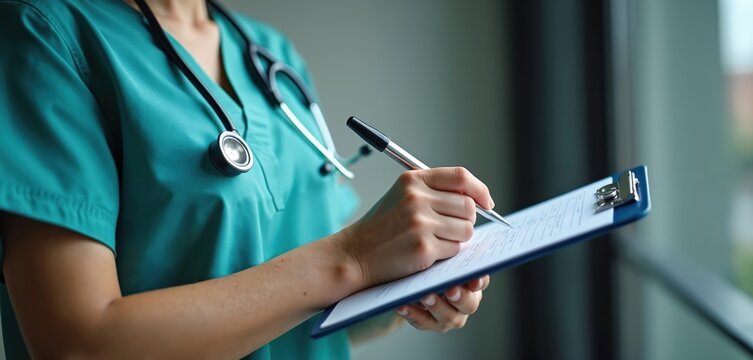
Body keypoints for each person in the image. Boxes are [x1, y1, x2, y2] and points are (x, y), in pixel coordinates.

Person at [0, 0, 495, 358]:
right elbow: (77, 345)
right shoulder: (45, 34)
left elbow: (309, 315)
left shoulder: (268, 52)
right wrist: (354, 260)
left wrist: (409, 282)